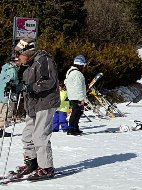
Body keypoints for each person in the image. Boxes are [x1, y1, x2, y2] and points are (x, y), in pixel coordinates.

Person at [15, 41, 60, 179]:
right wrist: (17, 86)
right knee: (27, 135)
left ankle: (46, 167)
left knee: (40, 135)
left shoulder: (44, 60)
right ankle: (32, 162)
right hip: (33, 104)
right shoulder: (28, 65)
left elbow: (49, 81)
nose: (17, 57)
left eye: (19, 54)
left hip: (45, 102)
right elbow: (27, 84)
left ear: (27, 52)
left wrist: (30, 87)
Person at [65, 55, 87, 135]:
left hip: (73, 95)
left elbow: (66, 82)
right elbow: (79, 87)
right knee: (75, 112)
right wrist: (81, 99)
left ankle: (75, 127)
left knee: (78, 112)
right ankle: (71, 129)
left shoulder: (71, 71)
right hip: (76, 96)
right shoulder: (77, 74)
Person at [0, 55, 20, 127]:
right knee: (6, 113)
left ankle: (1, 128)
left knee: (3, 112)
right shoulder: (12, 70)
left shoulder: (5, 68)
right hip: (7, 96)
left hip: (2, 95)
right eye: (18, 61)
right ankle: (2, 129)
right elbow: (11, 81)